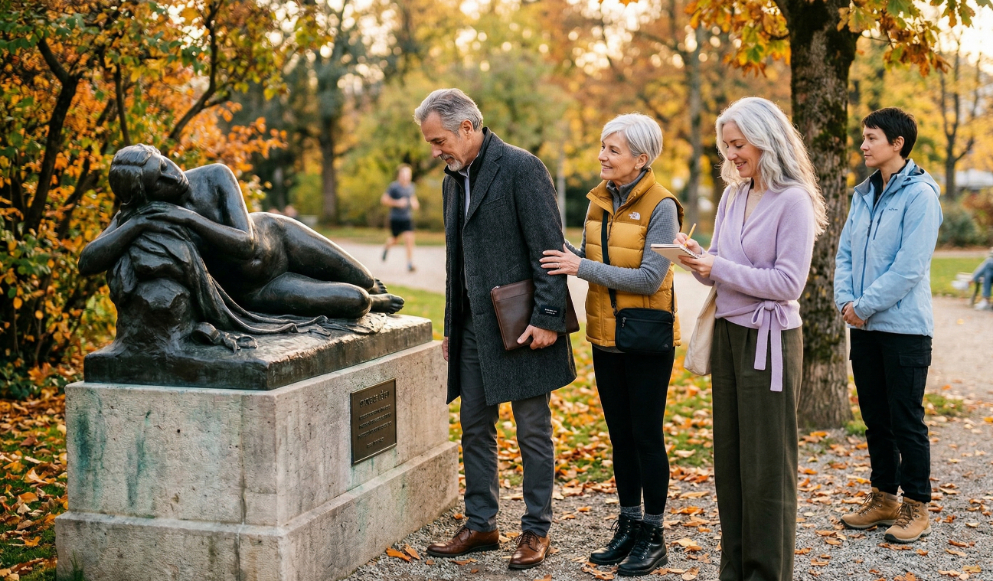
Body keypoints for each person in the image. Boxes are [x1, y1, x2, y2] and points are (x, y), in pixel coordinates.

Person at [415, 89, 576, 570]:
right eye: (430, 141)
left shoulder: (523, 168)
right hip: (471, 329)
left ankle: (535, 530)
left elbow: (549, 249)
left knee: (532, 430)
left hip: (524, 325)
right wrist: (450, 326)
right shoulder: (451, 179)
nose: (434, 150)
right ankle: (481, 524)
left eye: (439, 139)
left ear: (467, 127)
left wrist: (548, 319)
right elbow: (455, 262)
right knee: (474, 427)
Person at [676, 97, 825, 581]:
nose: (731, 155)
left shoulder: (794, 201)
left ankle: (767, 572)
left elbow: (787, 283)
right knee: (732, 462)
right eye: (726, 146)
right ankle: (735, 569)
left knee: (766, 467)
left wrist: (718, 266)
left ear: (766, 139)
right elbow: (719, 271)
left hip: (771, 342)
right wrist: (699, 260)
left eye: (738, 144)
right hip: (728, 334)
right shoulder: (733, 196)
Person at [540, 114, 681, 576]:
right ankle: (629, 522)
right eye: (602, 147)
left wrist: (579, 269)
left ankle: (654, 534)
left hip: (646, 337)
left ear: (641, 159)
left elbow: (648, 277)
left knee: (645, 436)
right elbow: (586, 255)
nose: (602, 156)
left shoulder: (663, 206)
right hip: (606, 337)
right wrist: (553, 243)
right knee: (620, 438)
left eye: (613, 150)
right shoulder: (598, 202)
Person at [78, 144, 403, 319]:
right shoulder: (145, 212)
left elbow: (246, 243)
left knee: (364, 279)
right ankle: (373, 302)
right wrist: (136, 223)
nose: (171, 177)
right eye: (157, 182)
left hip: (281, 238)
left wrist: (187, 218)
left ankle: (372, 288)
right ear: (145, 195)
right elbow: (87, 262)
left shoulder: (213, 176)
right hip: (255, 290)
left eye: (163, 165)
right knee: (357, 300)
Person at [834, 107, 942, 543]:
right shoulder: (862, 195)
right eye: (863, 137)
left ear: (897, 144)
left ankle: (917, 505)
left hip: (904, 329)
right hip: (864, 328)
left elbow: (909, 268)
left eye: (871, 138)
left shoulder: (921, 196)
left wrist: (864, 305)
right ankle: (884, 499)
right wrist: (847, 302)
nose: (863, 145)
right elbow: (843, 254)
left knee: (905, 421)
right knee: (875, 419)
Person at [381, 164, 420, 272]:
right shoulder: (394, 187)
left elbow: (412, 197)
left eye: (408, 174)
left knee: (409, 240)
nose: (406, 176)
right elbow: (384, 200)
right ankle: (387, 246)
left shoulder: (411, 186)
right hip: (396, 218)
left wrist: (414, 203)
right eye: (404, 174)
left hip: (407, 218)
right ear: (399, 175)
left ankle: (409, 263)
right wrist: (397, 203)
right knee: (395, 240)